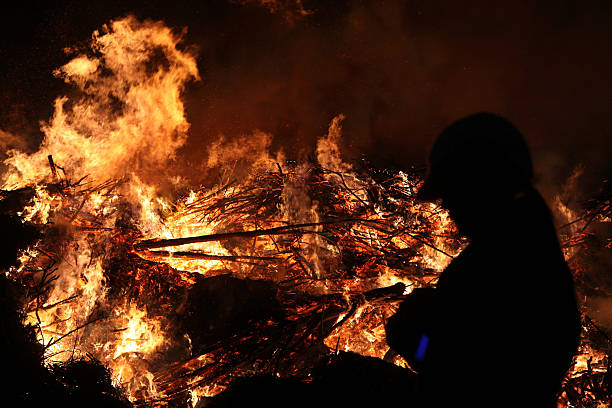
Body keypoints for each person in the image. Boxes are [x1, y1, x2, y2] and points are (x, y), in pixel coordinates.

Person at [385, 113, 581, 407]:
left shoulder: (499, 265)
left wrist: (413, 335)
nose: (447, 206)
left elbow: (446, 367)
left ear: (481, 184)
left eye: (451, 191)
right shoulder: (527, 246)